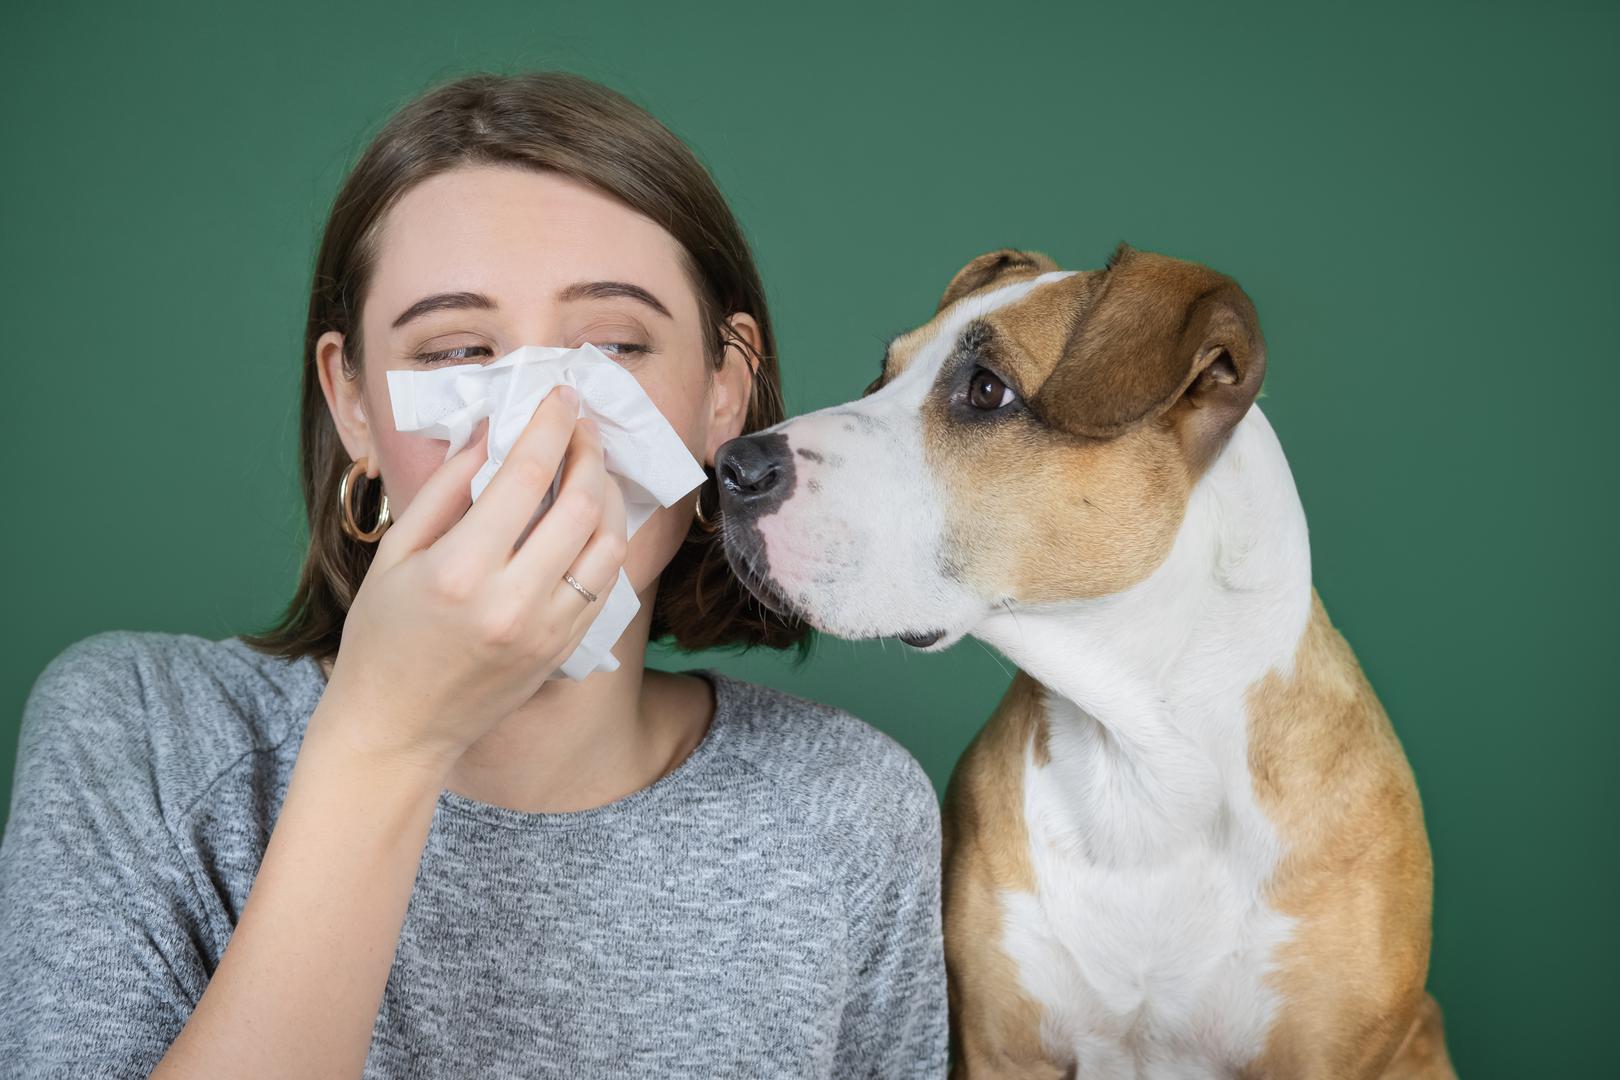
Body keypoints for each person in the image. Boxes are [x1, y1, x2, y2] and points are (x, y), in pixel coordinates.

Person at [0, 71, 946, 1078]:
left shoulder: (847, 808)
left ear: (725, 388)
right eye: (458, 352)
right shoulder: (139, 735)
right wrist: (387, 736)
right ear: (355, 404)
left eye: (615, 346)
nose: (541, 423)